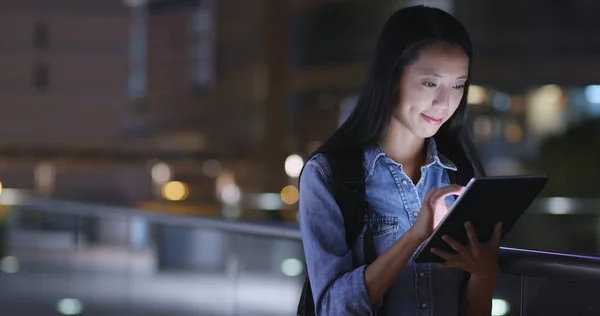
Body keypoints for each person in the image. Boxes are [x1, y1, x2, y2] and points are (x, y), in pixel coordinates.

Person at [298, 5, 503, 316]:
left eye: (458, 85)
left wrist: (484, 275)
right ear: (392, 76)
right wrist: (415, 236)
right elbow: (331, 307)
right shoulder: (331, 174)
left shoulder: (458, 173)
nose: (444, 102)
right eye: (430, 83)